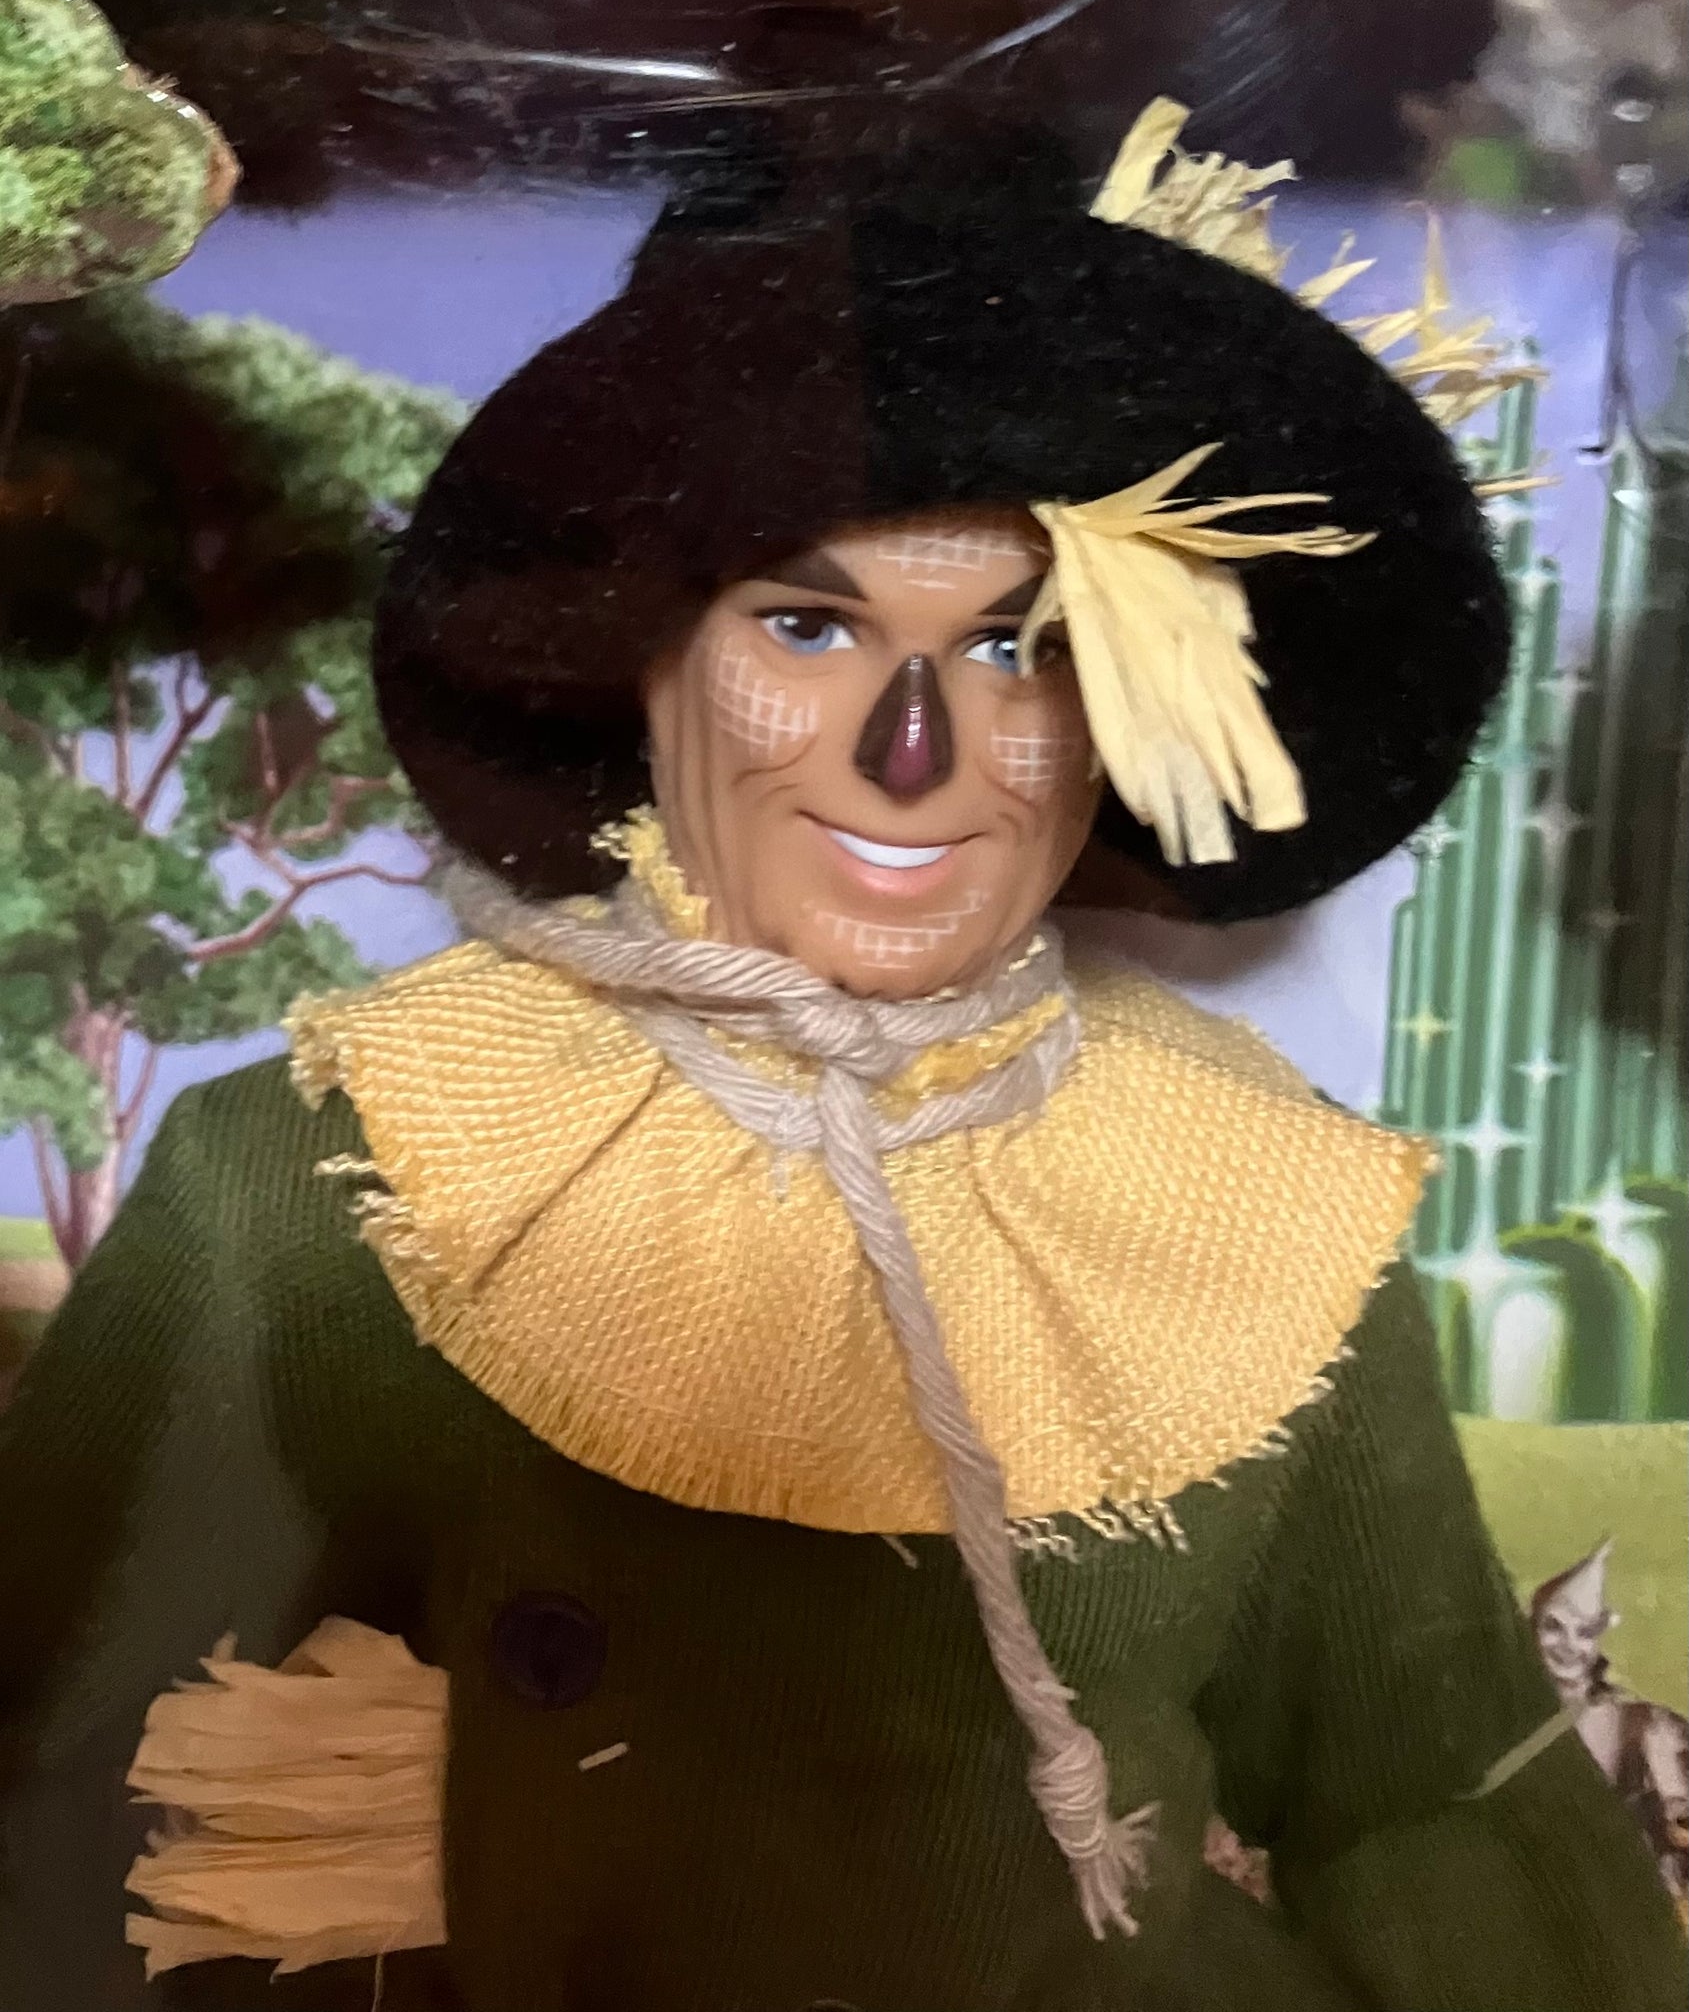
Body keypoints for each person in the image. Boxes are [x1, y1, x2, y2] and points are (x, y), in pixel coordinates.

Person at [2, 98, 1683, 2011]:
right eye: (808, 625)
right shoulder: (334, 1169)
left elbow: (1432, 1802)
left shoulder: (1260, 1202)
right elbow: (62, 1801)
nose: (910, 752)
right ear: (639, 657)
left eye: (1019, 648)